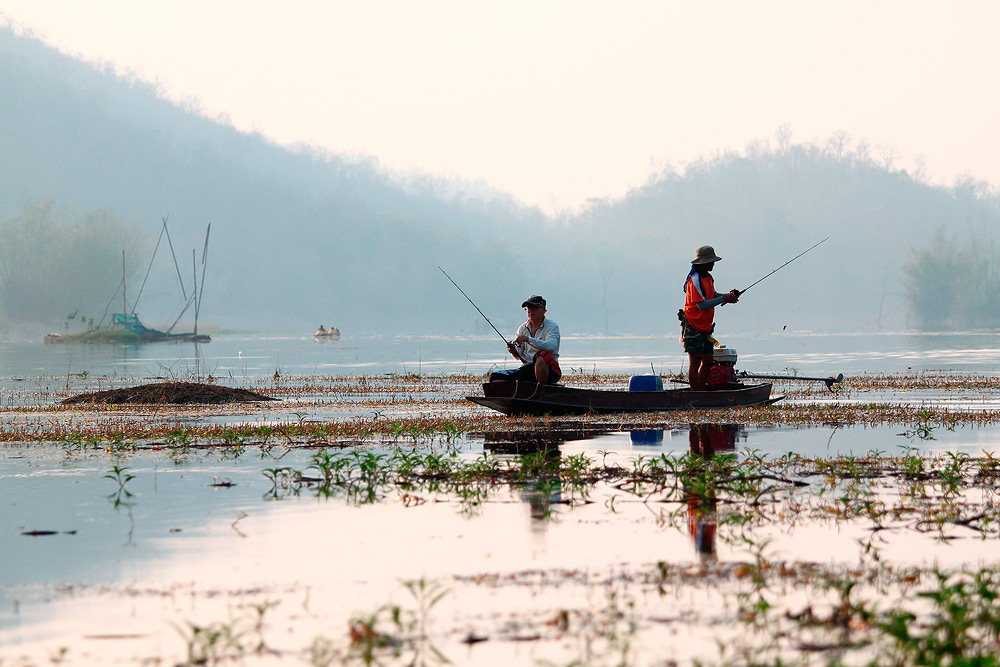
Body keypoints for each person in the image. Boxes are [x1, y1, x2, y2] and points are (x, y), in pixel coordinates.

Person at [681, 246, 740, 391]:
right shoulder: (694, 280)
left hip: (705, 326)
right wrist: (724, 298)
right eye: (711, 261)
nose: (713, 264)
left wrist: (728, 296)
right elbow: (701, 305)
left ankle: (701, 390)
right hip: (693, 324)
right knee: (695, 361)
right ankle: (696, 394)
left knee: (707, 360)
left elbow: (711, 295)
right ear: (703, 263)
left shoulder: (708, 277)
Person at [488, 295, 561, 384]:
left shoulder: (552, 326)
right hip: (528, 368)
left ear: (543, 309)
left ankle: (541, 389)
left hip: (550, 369)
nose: (530, 310)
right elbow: (520, 356)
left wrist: (528, 339)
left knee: (540, 355)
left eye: (534, 307)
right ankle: (511, 395)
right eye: (528, 308)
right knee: (495, 377)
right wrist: (515, 351)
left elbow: (552, 347)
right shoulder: (522, 328)